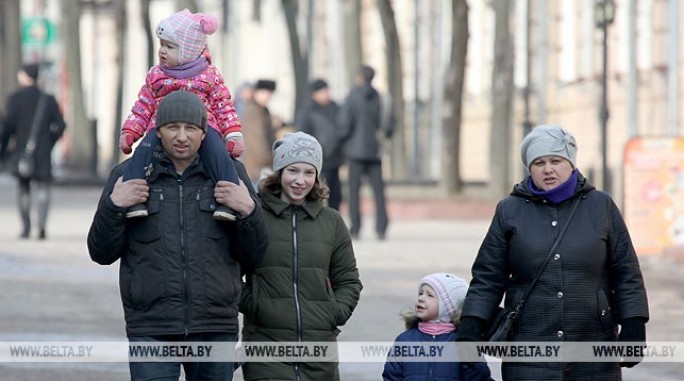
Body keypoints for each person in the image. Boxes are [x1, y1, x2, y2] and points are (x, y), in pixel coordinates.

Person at [87, 91, 268, 381]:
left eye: (191, 128)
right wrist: (114, 205)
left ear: (204, 132)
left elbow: (256, 255)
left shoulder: (230, 176)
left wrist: (248, 211)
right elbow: (100, 252)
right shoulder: (128, 176)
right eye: (173, 127)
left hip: (214, 324)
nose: (182, 136)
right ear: (158, 131)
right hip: (150, 324)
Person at [457, 125, 649, 380]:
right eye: (539, 163)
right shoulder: (509, 210)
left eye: (556, 160)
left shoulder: (601, 206)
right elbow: (488, 275)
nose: (548, 169)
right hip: (528, 344)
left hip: (593, 343)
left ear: (570, 162)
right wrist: (472, 320)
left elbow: (626, 271)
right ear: (529, 168)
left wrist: (634, 321)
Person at [239, 131, 363, 380]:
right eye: (293, 170)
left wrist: (332, 313)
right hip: (266, 347)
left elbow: (349, 281)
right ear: (279, 171)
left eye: (308, 173)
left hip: (319, 351)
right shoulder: (256, 216)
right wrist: (256, 306)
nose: (300, 180)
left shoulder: (332, 222)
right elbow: (228, 273)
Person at [119, 9, 243, 221]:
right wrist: (131, 130)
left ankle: (228, 203)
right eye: (161, 45)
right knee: (142, 155)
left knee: (220, 157)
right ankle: (134, 199)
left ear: (188, 50)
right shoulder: (156, 75)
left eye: (169, 46)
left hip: (204, 128)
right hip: (161, 128)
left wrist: (232, 133)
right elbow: (144, 105)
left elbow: (223, 104)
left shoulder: (208, 75)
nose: (162, 52)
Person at [383, 273, 493, 381]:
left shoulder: (462, 342)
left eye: (430, 295)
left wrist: (472, 358)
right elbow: (391, 375)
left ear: (449, 307)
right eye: (420, 293)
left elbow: (479, 377)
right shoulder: (405, 340)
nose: (421, 298)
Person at [0, 63, 66, 239]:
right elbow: (60, 125)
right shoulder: (48, 99)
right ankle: (42, 226)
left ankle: (26, 227)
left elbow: (6, 128)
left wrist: (5, 150)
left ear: (24, 76)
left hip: (22, 151)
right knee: (44, 187)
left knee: (23, 188)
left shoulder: (14, 99)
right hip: (43, 152)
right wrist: (49, 142)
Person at [339, 65, 394, 240]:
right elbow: (390, 125)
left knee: (354, 192)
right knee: (379, 192)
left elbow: (344, 124)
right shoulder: (382, 98)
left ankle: (355, 228)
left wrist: (343, 142)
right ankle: (381, 228)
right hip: (375, 152)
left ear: (360, 77)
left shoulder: (352, 97)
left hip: (354, 152)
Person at [295, 79, 344, 211]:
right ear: (314, 94)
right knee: (316, 197)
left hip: (334, 160)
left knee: (336, 197)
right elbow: (302, 135)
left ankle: (334, 226)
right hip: (316, 162)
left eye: (327, 91)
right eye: (322, 92)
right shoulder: (307, 111)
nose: (326, 94)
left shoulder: (336, 108)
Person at [241, 79, 278, 185]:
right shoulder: (254, 111)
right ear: (256, 92)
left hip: (260, 168)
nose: (267, 97)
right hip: (258, 169)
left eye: (269, 95)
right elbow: (257, 141)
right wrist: (270, 160)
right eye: (264, 93)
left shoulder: (261, 110)